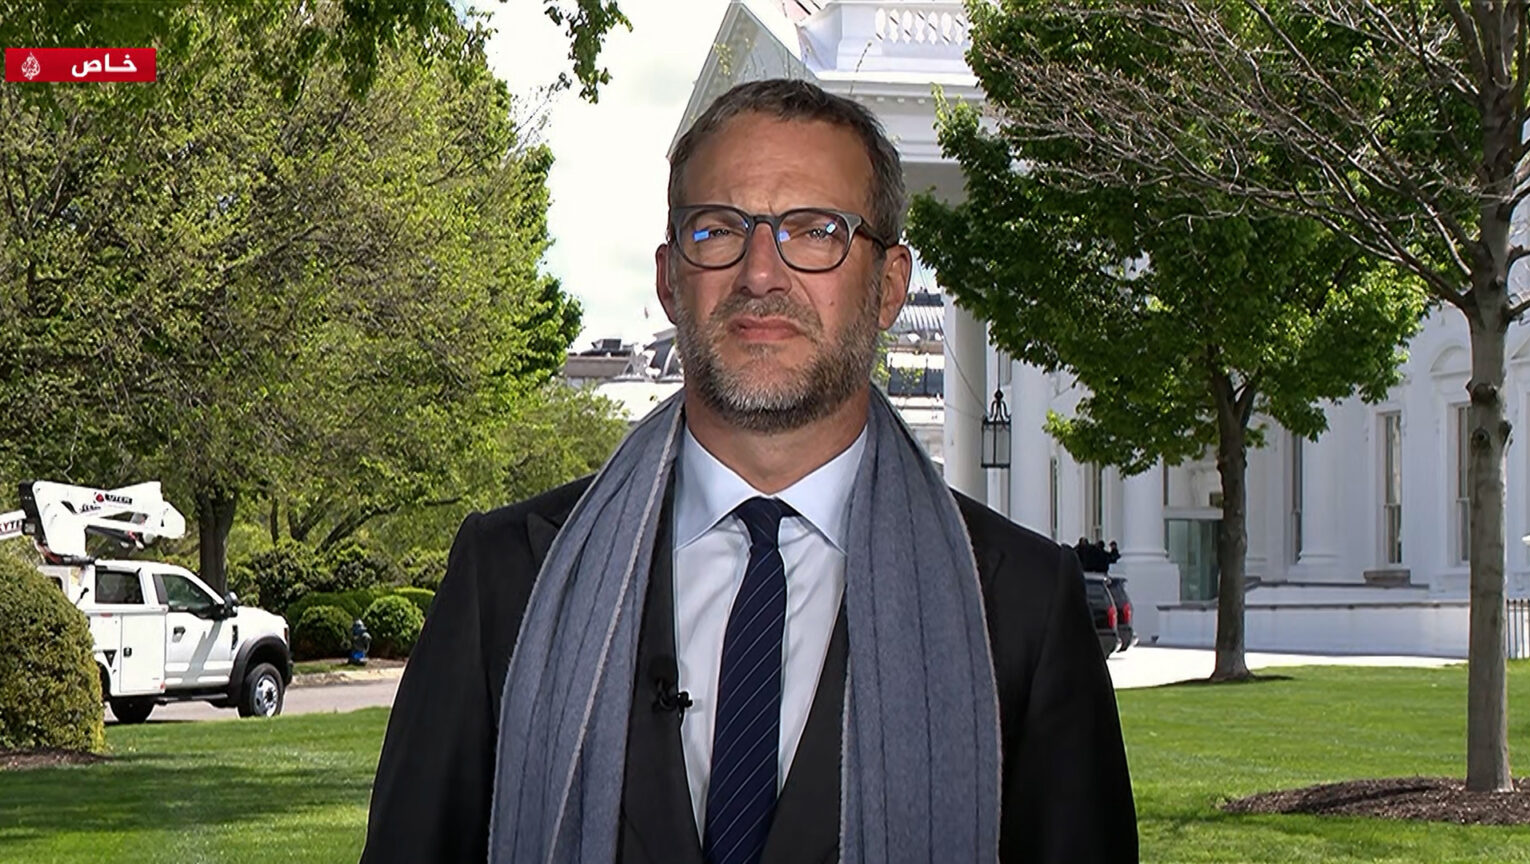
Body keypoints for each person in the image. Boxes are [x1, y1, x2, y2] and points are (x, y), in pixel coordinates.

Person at [361, 78, 1137, 864]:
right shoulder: (508, 579)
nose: (761, 273)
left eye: (816, 231)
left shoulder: (1022, 606)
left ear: (889, 287)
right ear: (670, 278)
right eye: (717, 230)